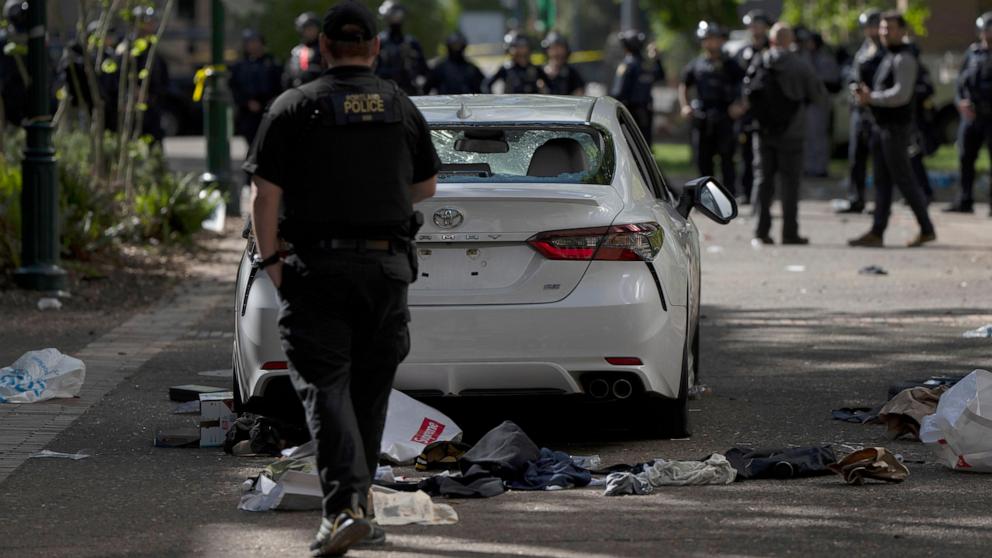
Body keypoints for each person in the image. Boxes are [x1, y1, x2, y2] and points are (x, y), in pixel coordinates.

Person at [245, 2, 439, 555]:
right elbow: (426, 187)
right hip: (385, 272)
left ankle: (344, 511)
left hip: (318, 272)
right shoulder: (399, 105)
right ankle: (361, 506)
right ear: (375, 48)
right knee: (369, 393)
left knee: (326, 389)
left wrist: (271, 262)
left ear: (323, 48)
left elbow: (265, 195)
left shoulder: (293, 107)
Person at [849, 12, 936, 248]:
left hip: (895, 129)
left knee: (904, 180)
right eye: (883, 28)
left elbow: (901, 94)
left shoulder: (904, 58)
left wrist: (871, 98)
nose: (884, 32)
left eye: (890, 29)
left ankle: (927, 229)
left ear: (902, 31)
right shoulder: (888, 55)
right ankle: (877, 232)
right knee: (882, 183)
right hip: (881, 127)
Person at [744, 22, 826, 245]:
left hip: (762, 132)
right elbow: (819, 97)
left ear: (771, 40)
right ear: (790, 41)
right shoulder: (801, 65)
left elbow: (747, 92)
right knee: (790, 184)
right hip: (793, 132)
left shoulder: (759, 59)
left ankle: (761, 231)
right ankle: (790, 233)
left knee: (763, 181)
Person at [679, 21, 745, 195]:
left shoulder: (731, 64)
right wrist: (685, 106)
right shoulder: (696, 64)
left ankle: (729, 195)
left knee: (727, 158)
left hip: (724, 115)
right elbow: (684, 85)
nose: (711, 43)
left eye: (714, 39)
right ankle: (705, 196)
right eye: (707, 39)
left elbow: (745, 86)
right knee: (703, 159)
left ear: (721, 41)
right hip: (703, 116)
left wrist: (739, 105)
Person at [839, 9, 884, 214]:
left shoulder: (887, 51)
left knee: (879, 160)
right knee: (856, 157)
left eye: (872, 26)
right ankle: (856, 199)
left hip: (878, 111)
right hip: (859, 110)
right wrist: (852, 86)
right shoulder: (863, 49)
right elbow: (852, 75)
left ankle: (880, 202)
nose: (869, 31)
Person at [948, 12, 992, 215]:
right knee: (965, 158)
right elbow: (959, 84)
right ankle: (964, 200)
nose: (987, 34)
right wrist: (961, 103)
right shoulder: (972, 53)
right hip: (971, 116)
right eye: (985, 30)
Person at [735, 9, 773, 204]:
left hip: (767, 111)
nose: (755, 29)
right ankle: (747, 191)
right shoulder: (744, 51)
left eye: (758, 25)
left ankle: (766, 193)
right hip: (746, 111)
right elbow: (736, 80)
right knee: (746, 152)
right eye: (752, 25)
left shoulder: (772, 50)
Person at [229, 29, 283, 147]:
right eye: (250, 42)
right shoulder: (240, 65)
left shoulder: (272, 63)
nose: (253, 45)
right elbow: (234, 87)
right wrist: (247, 102)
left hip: (268, 109)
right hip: (247, 112)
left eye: (256, 42)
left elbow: (279, 86)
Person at [611, 30, 665, 144]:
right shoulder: (647, 65)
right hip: (646, 111)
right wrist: (657, 59)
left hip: (629, 113)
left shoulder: (627, 65)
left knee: (629, 144)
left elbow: (619, 92)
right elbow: (660, 75)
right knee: (644, 144)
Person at [800, 31, 840, 178]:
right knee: (807, 137)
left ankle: (820, 168)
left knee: (819, 136)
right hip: (806, 103)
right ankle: (808, 167)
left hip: (820, 102)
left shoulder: (825, 59)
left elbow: (832, 81)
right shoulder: (804, 57)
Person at [130, 6, 169, 142]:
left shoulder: (152, 47)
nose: (151, 25)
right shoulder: (130, 48)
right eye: (147, 22)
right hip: (136, 106)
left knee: (155, 140)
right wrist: (136, 92)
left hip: (154, 105)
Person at [374, 1, 428, 95]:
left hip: (408, 92)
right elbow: (373, 69)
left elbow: (423, 70)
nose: (395, 18)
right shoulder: (380, 42)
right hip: (384, 92)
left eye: (397, 15)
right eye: (392, 15)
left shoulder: (411, 43)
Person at [482, 32, 548, 94]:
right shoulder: (506, 69)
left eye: (523, 47)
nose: (521, 51)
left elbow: (551, 85)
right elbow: (486, 85)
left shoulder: (534, 69)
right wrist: (496, 101)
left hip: (532, 105)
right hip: (512, 105)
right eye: (517, 47)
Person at [424, 30, 484, 95]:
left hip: (468, 104)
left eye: (459, 45)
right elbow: (425, 89)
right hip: (445, 104)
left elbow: (483, 90)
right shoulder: (440, 68)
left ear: (463, 46)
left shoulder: (472, 69)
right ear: (449, 46)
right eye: (454, 46)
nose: (457, 49)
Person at [284, 12, 324, 89]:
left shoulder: (324, 49)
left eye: (312, 28)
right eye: (307, 29)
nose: (310, 32)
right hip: (300, 91)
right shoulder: (296, 52)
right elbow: (289, 75)